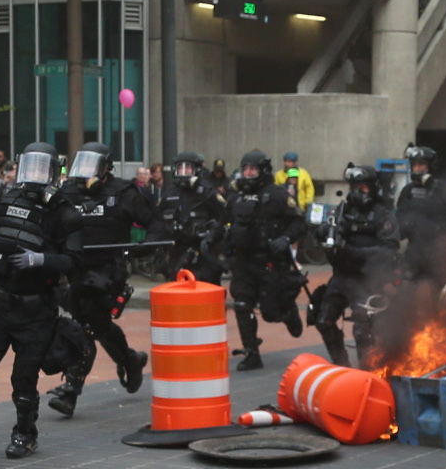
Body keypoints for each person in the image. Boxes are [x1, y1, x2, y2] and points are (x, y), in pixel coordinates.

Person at [0, 142, 84, 457]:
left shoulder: (65, 213)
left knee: (24, 379)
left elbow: (75, 262)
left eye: (43, 169)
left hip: (36, 309)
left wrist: (41, 260)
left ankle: (25, 434)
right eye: (31, 167)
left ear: (54, 172)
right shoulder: (6, 198)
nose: (35, 176)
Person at [46, 141, 152, 417]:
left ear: (106, 168)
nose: (86, 174)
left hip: (107, 271)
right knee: (99, 325)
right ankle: (130, 359)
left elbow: (153, 221)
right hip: (75, 270)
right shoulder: (68, 191)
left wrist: (145, 245)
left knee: (85, 326)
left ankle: (70, 391)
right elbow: (49, 222)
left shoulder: (124, 192)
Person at [310, 163, 399, 368]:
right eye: (355, 186)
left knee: (363, 330)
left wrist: (352, 251)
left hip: (367, 279)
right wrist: (322, 232)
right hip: (342, 277)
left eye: (364, 187)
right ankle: (342, 366)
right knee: (323, 320)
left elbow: (388, 249)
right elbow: (327, 231)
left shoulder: (382, 214)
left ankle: (368, 372)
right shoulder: (343, 210)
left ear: (373, 187)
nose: (359, 191)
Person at [224, 148, 305, 370]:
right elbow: (223, 223)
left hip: (269, 261)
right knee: (241, 304)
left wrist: (285, 239)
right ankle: (251, 352)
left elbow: (299, 222)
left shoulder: (277, 196)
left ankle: (287, 312)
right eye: (245, 169)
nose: (249, 173)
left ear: (263, 170)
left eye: (253, 169)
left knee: (270, 313)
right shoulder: (236, 198)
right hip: (243, 262)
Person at [157, 152, 224, 284]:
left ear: (196, 170)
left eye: (187, 168)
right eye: (179, 168)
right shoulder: (170, 193)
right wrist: (160, 253)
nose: (183, 172)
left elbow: (224, 215)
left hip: (203, 253)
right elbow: (157, 221)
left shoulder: (207, 191)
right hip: (177, 252)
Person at [394, 143, 446, 285]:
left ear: (430, 166)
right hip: (415, 250)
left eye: (421, 165)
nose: (417, 169)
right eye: (415, 165)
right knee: (404, 289)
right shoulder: (407, 191)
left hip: (439, 251)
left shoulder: (444, 189)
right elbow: (399, 222)